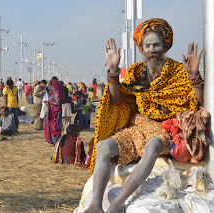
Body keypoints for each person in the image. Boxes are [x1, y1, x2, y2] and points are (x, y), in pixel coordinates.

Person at [85, 18, 203, 213]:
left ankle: (117, 204)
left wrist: (193, 76)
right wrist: (113, 71)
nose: (152, 49)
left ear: (165, 46)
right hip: (138, 128)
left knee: (153, 145)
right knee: (103, 146)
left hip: (166, 129)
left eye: (156, 44)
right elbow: (115, 100)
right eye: (147, 45)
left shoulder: (178, 71)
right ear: (142, 49)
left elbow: (197, 101)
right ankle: (95, 205)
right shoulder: (136, 71)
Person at [43, 76, 63, 145]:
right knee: (49, 126)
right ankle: (52, 140)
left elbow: (57, 103)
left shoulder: (56, 94)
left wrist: (49, 103)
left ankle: (56, 141)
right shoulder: (52, 93)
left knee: (55, 128)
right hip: (51, 112)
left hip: (55, 113)